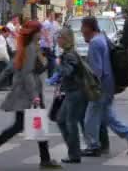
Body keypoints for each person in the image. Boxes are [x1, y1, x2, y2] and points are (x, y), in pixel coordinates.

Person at [0, 21, 61, 170]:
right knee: (29, 125)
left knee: (25, 125)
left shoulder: (25, 47)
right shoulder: (29, 48)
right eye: (40, 31)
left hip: (26, 92)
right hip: (29, 93)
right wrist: (34, 95)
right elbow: (27, 73)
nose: (42, 33)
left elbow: (10, 68)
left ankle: (45, 159)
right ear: (35, 33)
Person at [81, 16, 128, 157]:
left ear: (88, 28)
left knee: (90, 117)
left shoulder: (95, 43)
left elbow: (97, 70)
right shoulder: (102, 38)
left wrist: (90, 86)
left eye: (83, 27)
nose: (81, 30)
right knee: (108, 116)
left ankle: (93, 145)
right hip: (109, 84)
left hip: (100, 86)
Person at [55, 28, 86, 164]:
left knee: (70, 122)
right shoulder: (68, 53)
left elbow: (67, 72)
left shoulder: (69, 55)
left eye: (59, 37)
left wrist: (58, 64)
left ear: (65, 39)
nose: (57, 40)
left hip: (75, 93)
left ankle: (74, 154)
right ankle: (74, 151)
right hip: (71, 91)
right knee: (62, 120)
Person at [41, 11, 57, 78]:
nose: (54, 17)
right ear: (49, 15)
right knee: (52, 61)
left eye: (54, 15)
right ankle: (50, 76)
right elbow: (46, 34)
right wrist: (50, 45)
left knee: (50, 61)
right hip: (46, 45)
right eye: (53, 15)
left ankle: (47, 74)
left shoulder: (52, 23)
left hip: (50, 45)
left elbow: (54, 33)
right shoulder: (46, 23)